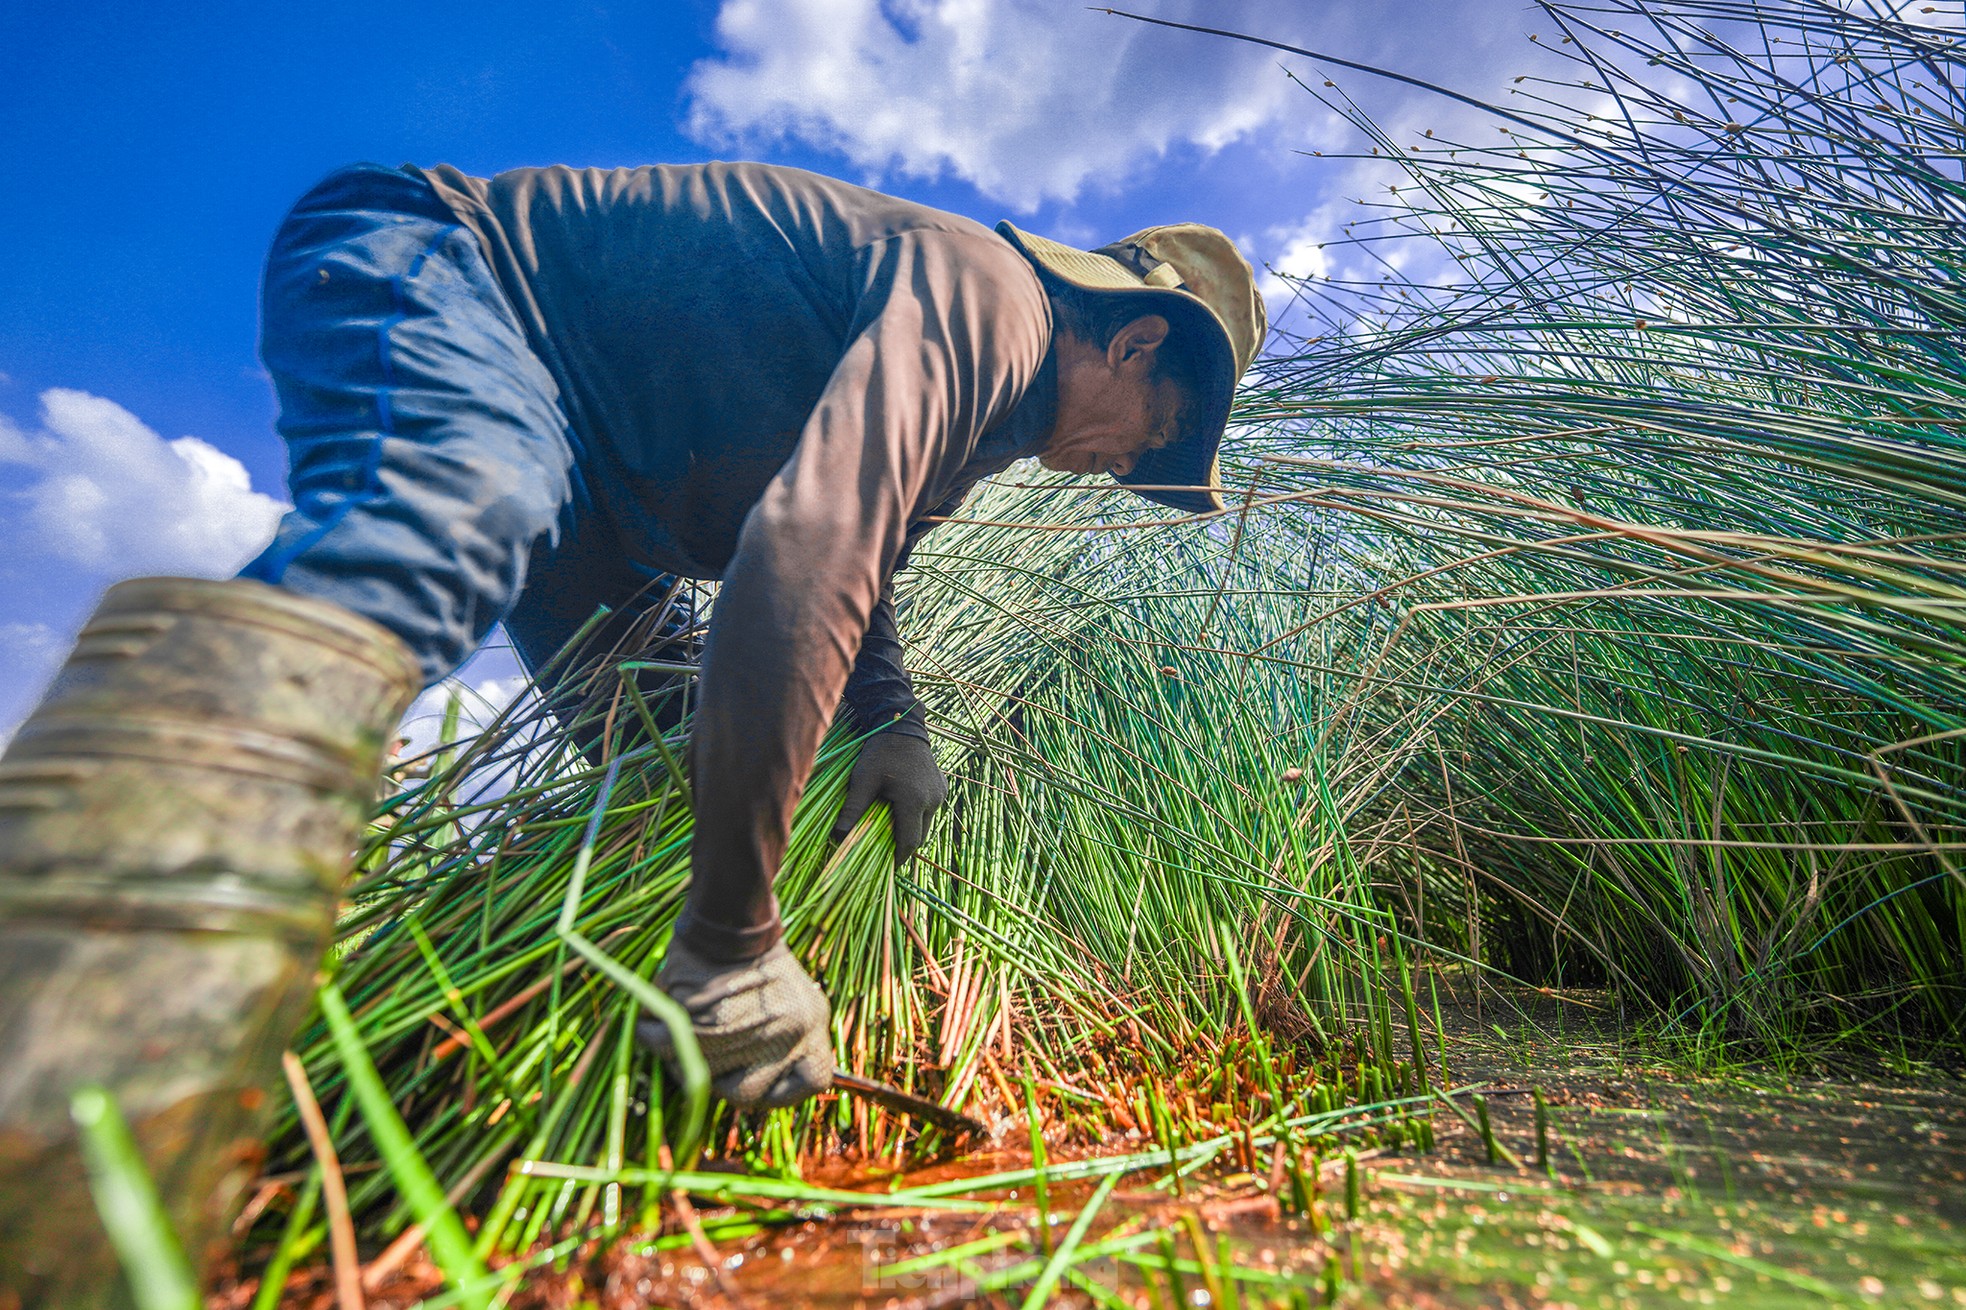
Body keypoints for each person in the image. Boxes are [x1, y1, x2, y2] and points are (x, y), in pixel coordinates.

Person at [0, 160, 1263, 1296]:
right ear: (1134, 341)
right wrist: (732, 938)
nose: (1118, 469)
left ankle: (618, 1121)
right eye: (1151, 436)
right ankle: (62, 1065)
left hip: (594, 489)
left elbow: (863, 569)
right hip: (449, 273)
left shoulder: (983, 419)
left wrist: (890, 719)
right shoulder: (990, 299)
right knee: (455, 505)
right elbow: (807, 544)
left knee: (668, 769)